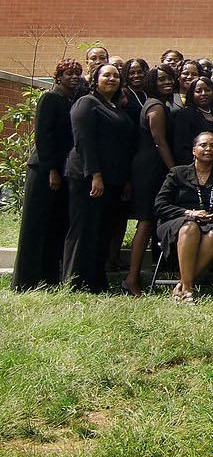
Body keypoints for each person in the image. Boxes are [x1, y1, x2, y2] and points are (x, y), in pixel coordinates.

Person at [63, 63, 137, 292]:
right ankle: (75, 282)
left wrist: (124, 180)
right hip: (88, 178)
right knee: (84, 229)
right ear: (96, 79)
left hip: (113, 181)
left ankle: (95, 281)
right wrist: (95, 175)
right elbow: (83, 141)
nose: (112, 79)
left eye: (116, 76)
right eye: (107, 75)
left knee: (102, 231)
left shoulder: (114, 107)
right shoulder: (86, 103)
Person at [12, 59, 81, 291]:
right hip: (43, 171)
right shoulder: (50, 98)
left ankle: (48, 279)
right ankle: (26, 281)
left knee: (54, 226)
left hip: (62, 170)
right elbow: (43, 136)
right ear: (58, 76)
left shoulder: (73, 100)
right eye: (69, 73)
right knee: (36, 225)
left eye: (77, 73)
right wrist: (51, 170)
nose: (73, 77)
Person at [154, 132, 213, 303]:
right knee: (190, 226)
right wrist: (189, 213)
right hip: (177, 221)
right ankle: (189, 289)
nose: (208, 149)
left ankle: (182, 284)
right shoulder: (177, 173)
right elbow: (160, 205)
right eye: (203, 145)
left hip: (210, 223)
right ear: (194, 150)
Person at [124, 64, 178, 295]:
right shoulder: (155, 106)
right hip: (150, 168)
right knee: (145, 222)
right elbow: (160, 142)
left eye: (169, 79)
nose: (167, 82)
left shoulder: (163, 104)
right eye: (161, 79)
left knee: (150, 221)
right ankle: (131, 278)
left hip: (154, 166)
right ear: (151, 83)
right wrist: (174, 171)